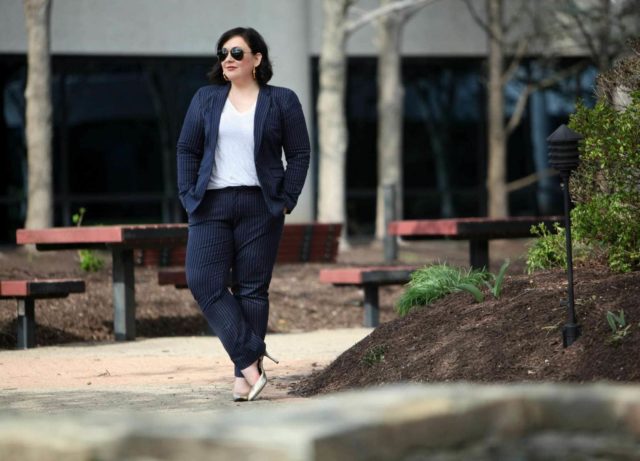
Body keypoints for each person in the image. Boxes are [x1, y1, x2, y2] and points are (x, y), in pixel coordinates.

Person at [176, 27, 310, 402]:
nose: (228, 59)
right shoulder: (205, 98)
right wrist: (188, 195)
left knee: (251, 288)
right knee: (203, 280)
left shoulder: (282, 100)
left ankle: (243, 378)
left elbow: (299, 153)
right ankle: (253, 360)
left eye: (236, 52)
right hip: (210, 203)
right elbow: (186, 149)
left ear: (257, 58)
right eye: (222, 53)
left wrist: (287, 198)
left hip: (260, 204)